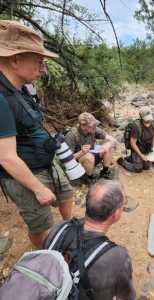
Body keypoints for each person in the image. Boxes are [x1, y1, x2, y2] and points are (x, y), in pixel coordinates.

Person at [0, 20, 73, 248]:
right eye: (39, 61)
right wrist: (39, 189)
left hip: (46, 162)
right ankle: (46, 254)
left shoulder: (21, 88)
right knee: (41, 224)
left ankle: (69, 232)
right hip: (26, 175)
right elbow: (6, 157)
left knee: (66, 192)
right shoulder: (1, 98)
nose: (43, 68)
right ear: (15, 59)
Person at [44, 180, 136, 300]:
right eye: (123, 204)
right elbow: (126, 297)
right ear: (116, 214)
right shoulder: (118, 257)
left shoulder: (60, 228)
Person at [64, 112, 117, 180]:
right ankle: (89, 177)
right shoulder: (71, 135)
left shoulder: (94, 129)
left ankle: (105, 171)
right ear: (83, 126)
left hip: (92, 154)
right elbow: (68, 159)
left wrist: (109, 143)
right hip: (79, 161)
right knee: (89, 157)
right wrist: (81, 152)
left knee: (108, 148)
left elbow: (113, 140)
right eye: (92, 125)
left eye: (95, 124)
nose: (95, 127)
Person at [118, 107, 154, 172]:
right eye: (146, 120)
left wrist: (153, 150)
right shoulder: (136, 127)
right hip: (138, 148)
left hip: (147, 148)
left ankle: (131, 158)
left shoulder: (153, 124)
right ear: (142, 118)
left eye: (149, 119)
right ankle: (122, 161)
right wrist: (141, 155)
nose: (148, 122)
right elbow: (132, 143)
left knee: (147, 167)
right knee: (138, 168)